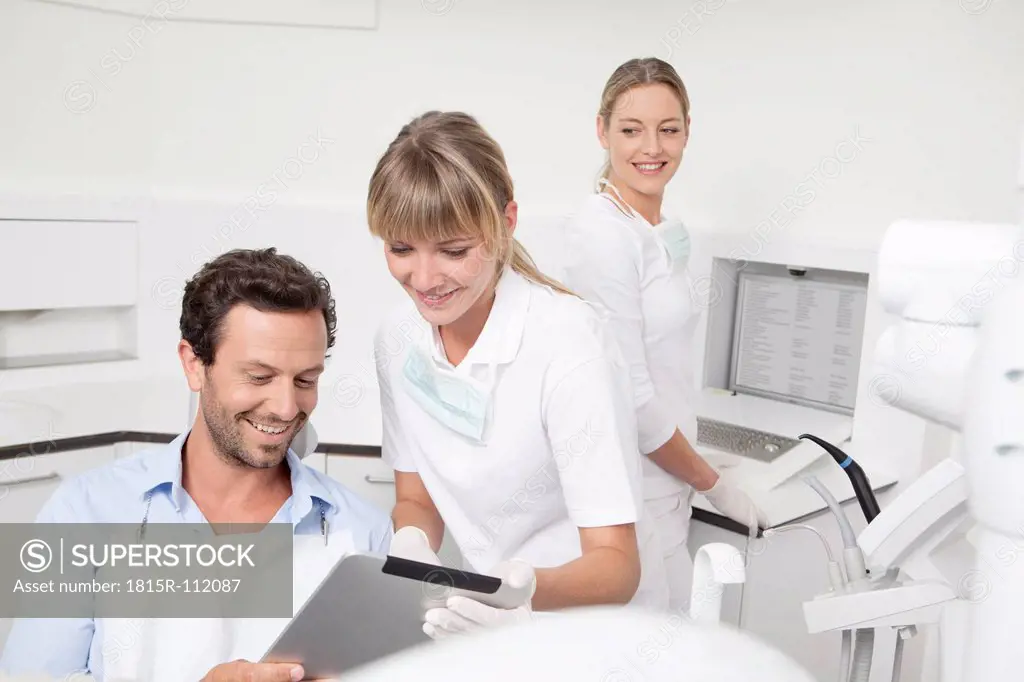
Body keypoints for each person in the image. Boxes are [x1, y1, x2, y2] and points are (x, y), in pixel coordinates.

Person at [0, 248, 392, 682]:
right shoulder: (83, 513)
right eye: (259, 377)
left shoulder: (364, 533)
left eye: (306, 380)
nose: (285, 407)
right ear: (194, 364)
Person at [367, 110, 671, 640]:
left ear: (505, 223)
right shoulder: (397, 338)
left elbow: (617, 567)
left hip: (598, 637)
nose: (424, 278)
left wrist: (519, 595)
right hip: (491, 624)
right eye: (400, 249)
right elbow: (416, 496)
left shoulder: (570, 346)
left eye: (454, 251)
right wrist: (411, 545)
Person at [561, 57, 768, 612]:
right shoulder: (602, 237)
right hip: (635, 494)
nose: (651, 147)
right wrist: (713, 485)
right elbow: (631, 396)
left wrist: (697, 459)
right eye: (631, 130)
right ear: (602, 131)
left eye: (668, 130)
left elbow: (665, 359)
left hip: (668, 479)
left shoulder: (656, 228)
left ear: (687, 132)